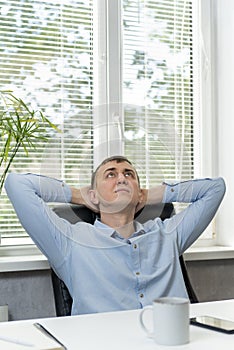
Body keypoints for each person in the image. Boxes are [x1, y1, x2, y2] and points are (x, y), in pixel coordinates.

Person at [5, 155, 225, 315]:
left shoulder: (167, 234)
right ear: (93, 195)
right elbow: (17, 184)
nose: (121, 179)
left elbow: (215, 189)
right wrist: (79, 196)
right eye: (111, 175)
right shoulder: (70, 242)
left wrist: (147, 194)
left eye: (128, 175)